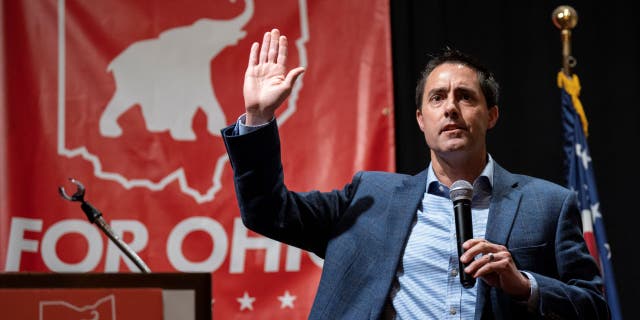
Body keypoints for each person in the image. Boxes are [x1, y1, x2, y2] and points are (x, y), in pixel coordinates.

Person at [221, 28, 609, 319]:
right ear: (422, 121)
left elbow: (594, 306)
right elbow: (267, 212)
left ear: (491, 116)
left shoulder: (549, 204)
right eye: (438, 98)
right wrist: (258, 118)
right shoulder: (368, 197)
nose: (451, 108)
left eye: (466, 97)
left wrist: (524, 285)